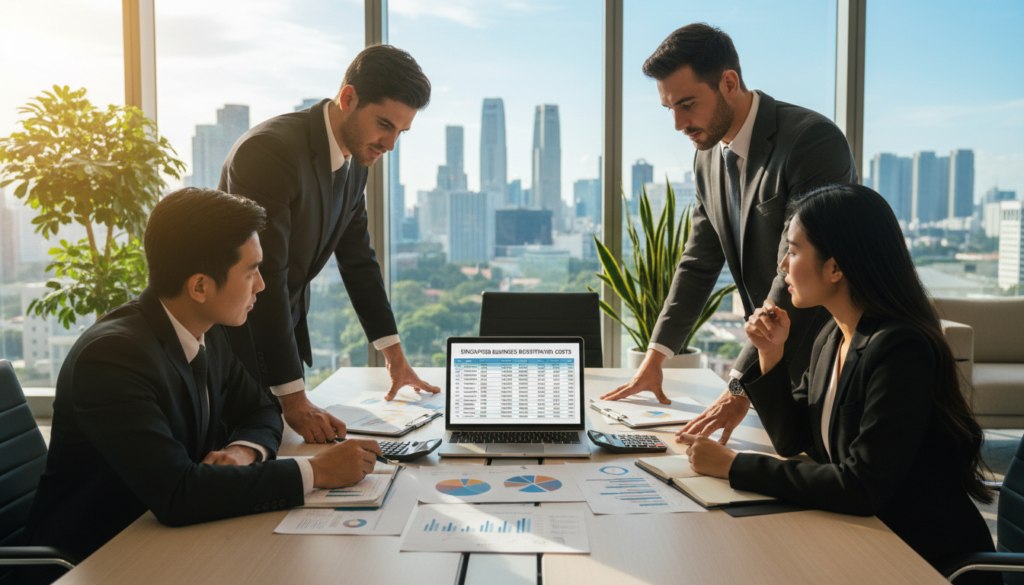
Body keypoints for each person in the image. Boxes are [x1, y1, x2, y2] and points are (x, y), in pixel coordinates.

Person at [21, 188, 382, 585]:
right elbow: (179, 494)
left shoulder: (204, 329)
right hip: (96, 561)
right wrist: (314, 473)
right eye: (250, 272)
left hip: (166, 543)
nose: (261, 286)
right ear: (199, 286)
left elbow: (260, 409)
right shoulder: (112, 357)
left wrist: (243, 451)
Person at [677, 184, 997, 583]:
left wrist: (734, 466)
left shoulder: (901, 350)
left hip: (920, 559)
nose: (782, 267)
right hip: (863, 540)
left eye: (793, 251)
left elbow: (860, 486)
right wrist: (771, 354)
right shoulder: (833, 336)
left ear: (835, 267)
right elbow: (795, 439)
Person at [601, 24, 857, 446]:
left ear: (729, 82)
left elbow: (794, 270)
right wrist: (656, 356)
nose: (679, 123)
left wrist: (738, 385)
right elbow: (699, 263)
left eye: (687, 104)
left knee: (827, 481)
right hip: (772, 354)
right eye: (670, 109)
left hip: (829, 353)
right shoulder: (707, 159)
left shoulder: (811, 141)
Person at [218, 44, 439, 444]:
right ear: (348, 98)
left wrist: (395, 358)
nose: (389, 144)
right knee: (249, 458)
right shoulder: (270, 152)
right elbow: (267, 278)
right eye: (384, 125)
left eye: (400, 132)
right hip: (238, 348)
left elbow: (358, 260)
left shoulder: (356, 162)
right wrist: (294, 396)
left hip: (282, 343)